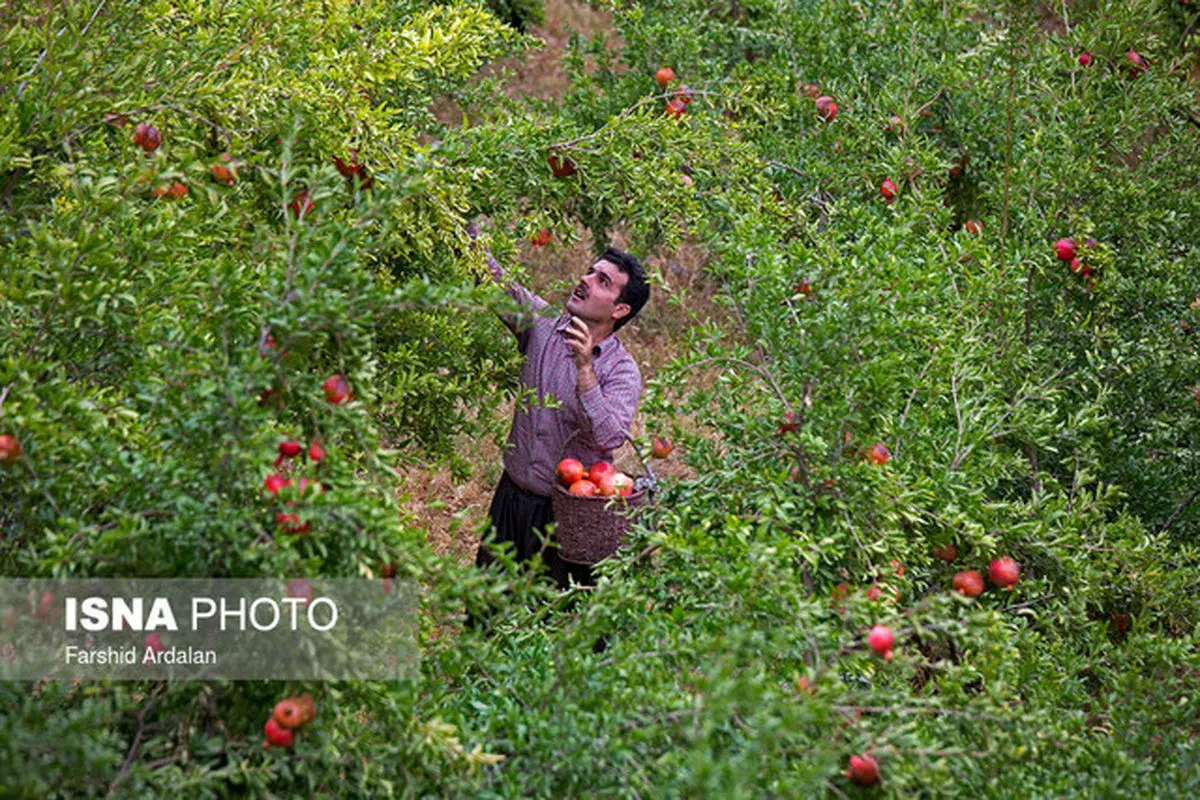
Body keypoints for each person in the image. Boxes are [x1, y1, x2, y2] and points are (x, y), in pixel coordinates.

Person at [466, 221, 650, 591]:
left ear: (620, 309)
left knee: (561, 623)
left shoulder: (621, 370)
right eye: (590, 271)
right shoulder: (543, 325)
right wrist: (463, 221)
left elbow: (609, 436)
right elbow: (491, 280)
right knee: (486, 609)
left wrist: (584, 367)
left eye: (603, 281)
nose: (586, 279)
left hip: (573, 513)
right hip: (512, 498)